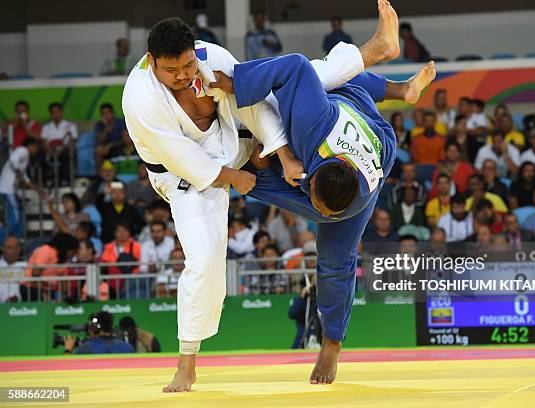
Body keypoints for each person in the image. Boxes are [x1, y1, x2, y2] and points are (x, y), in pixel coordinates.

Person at [122, 11, 404, 392]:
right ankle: (187, 363)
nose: (184, 76)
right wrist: (237, 177)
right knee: (204, 260)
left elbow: (252, 103)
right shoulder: (141, 100)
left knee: (291, 81)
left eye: (188, 64)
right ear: (152, 61)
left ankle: (379, 55)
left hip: (235, 141)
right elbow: (182, 160)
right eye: (173, 70)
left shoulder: (209, 58)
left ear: (195, 51)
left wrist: (283, 153)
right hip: (185, 174)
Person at [211, 1, 435, 385]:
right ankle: (398, 85)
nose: (310, 204)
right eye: (310, 193)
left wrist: (256, 173)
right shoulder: (313, 126)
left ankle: (332, 344)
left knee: (336, 260)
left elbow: (319, 206)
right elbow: (295, 65)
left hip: (376, 154)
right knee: (318, 72)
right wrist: (239, 83)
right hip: (349, 105)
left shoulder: (355, 200)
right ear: (313, 172)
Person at [0, 137, 43, 237]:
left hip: (9, 191)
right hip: (7, 191)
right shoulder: (23, 150)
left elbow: (24, 178)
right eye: (36, 147)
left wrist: (37, 189)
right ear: (30, 146)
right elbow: (13, 159)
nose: (37, 150)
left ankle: (17, 239)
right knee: (14, 218)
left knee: (18, 216)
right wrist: (18, 172)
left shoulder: (25, 156)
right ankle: (6, 240)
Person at [21, 233, 79, 302]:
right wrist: (44, 292)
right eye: (73, 252)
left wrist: (69, 298)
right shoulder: (46, 250)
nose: (74, 255)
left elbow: (64, 284)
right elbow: (35, 274)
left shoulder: (63, 260)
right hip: (30, 288)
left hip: (48, 290)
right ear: (66, 248)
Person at [64, 311, 134, 354]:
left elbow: (67, 370)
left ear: (96, 328)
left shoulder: (86, 348)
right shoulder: (127, 348)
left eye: (91, 326)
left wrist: (68, 350)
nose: (89, 330)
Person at [94, 103, 126, 168]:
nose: (106, 115)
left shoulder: (121, 122)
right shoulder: (99, 124)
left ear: (113, 113)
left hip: (120, 145)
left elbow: (125, 139)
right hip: (106, 149)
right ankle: (100, 174)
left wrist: (110, 145)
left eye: (108, 113)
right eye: (103, 114)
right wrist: (106, 129)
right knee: (98, 150)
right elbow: (99, 141)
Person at [0, 236, 25, 303]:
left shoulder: (26, 267)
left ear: (19, 249)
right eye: (4, 247)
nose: (5, 250)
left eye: (9, 248)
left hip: (21, 309)